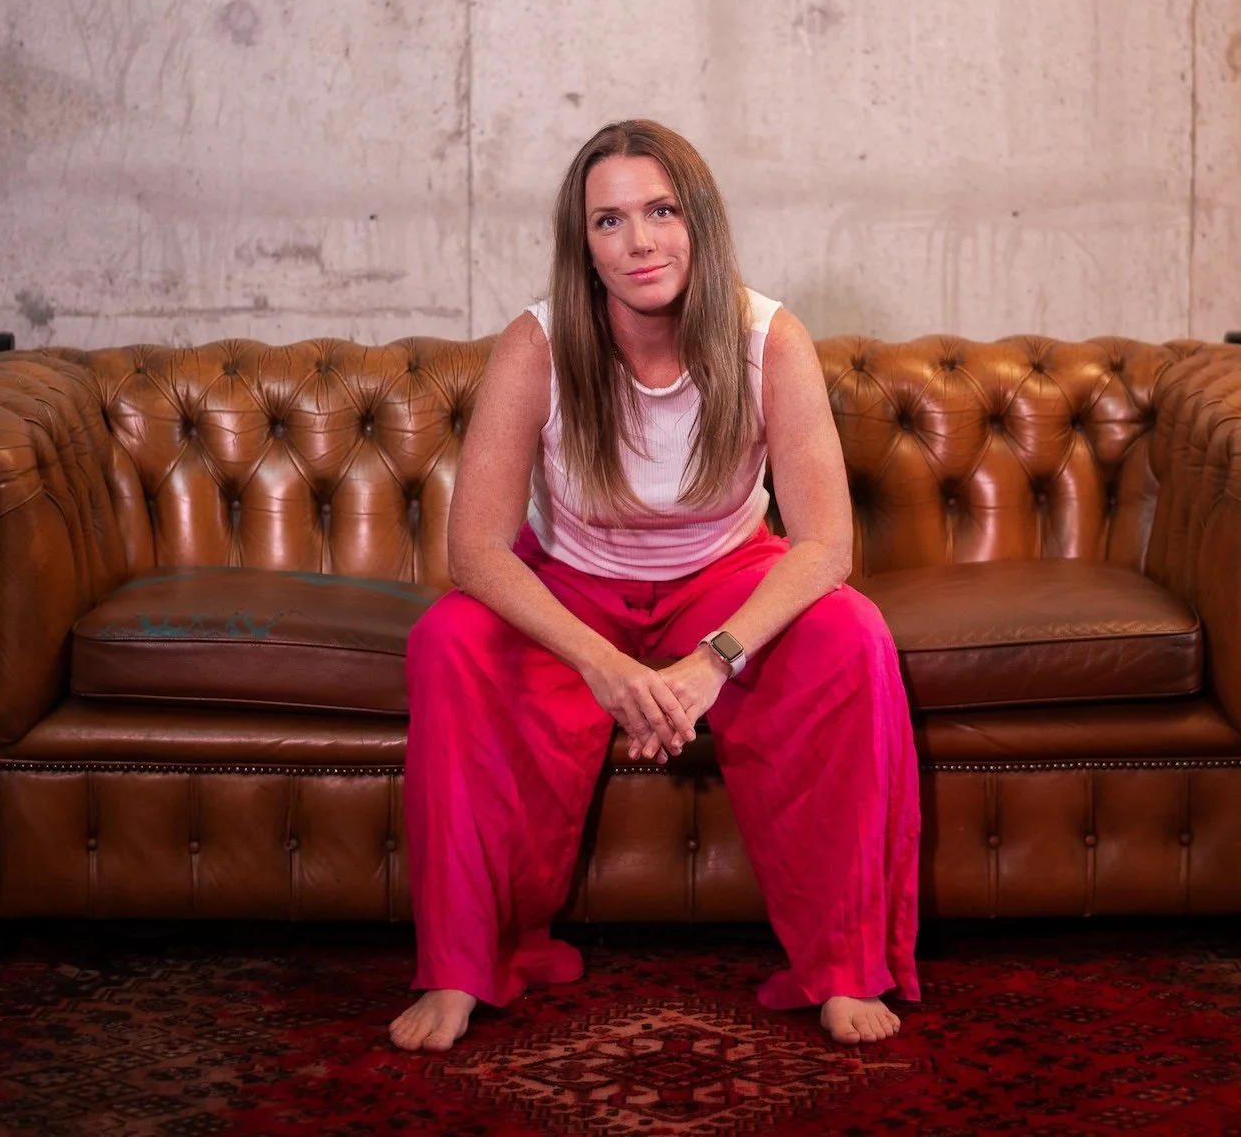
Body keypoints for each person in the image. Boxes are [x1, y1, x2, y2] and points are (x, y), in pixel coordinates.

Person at [389, 119, 921, 1054]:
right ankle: (461, 967)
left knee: (853, 633)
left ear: (698, 222)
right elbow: (474, 548)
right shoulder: (539, 344)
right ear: (582, 244)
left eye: (661, 210)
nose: (640, 240)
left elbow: (826, 543)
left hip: (725, 576)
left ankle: (842, 967)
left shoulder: (769, 338)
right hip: (577, 586)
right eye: (610, 220)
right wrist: (606, 667)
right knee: (448, 639)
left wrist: (712, 663)